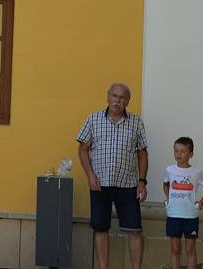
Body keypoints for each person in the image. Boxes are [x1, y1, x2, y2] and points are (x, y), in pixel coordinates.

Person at [77, 83, 148, 269]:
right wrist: (90, 176)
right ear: (108, 97)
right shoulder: (93, 119)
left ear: (128, 101)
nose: (118, 100)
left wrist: (142, 182)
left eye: (123, 97)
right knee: (100, 229)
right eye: (115, 96)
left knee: (135, 230)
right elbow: (83, 149)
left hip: (128, 184)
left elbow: (142, 153)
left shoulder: (136, 122)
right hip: (99, 183)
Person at [163, 137, 203, 269]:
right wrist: (168, 198)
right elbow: (166, 184)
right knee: (175, 249)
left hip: (190, 216)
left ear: (191, 154)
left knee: (190, 249)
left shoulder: (196, 172)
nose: (178, 154)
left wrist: (201, 202)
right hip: (173, 215)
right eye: (176, 151)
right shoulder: (169, 170)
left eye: (183, 151)